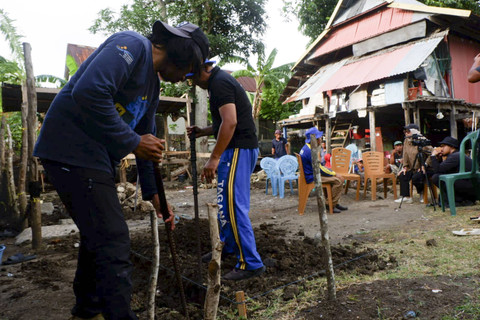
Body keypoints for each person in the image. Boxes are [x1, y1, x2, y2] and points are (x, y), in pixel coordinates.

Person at [34, 21, 209, 320]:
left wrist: (156, 197)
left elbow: (146, 144)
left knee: (98, 235)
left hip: (94, 159)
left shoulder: (151, 88)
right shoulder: (131, 45)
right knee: (113, 238)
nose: (184, 79)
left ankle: (88, 311)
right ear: (181, 54)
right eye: (189, 70)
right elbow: (89, 92)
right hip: (70, 150)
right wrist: (133, 141)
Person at [187, 61, 265, 281]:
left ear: (204, 69)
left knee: (233, 205)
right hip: (237, 148)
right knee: (225, 204)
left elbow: (230, 123)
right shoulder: (217, 83)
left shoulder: (219, 83)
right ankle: (229, 247)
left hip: (237, 149)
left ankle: (250, 263)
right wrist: (204, 131)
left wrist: (214, 157)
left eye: (193, 78)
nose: (194, 83)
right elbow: (224, 122)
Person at [299, 127, 348, 214]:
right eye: (319, 138)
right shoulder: (310, 151)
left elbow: (319, 167)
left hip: (311, 174)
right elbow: (320, 168)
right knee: (338, 181)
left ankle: (333, 203)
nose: (321, 140)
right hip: (312, 177)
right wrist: (334, 174)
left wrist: (331, 173)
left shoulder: (305, 148)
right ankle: (331, 205)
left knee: (331, 178)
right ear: (314, 139)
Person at [430, 137, 477, 206]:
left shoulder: (455, 156)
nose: (441, 149)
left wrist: (433, 156)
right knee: (437, 176)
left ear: (451, 147)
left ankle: (460, 199)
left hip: (470, 186)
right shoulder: (455, 155)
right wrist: (438, 158)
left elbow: (438, 169)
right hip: (469, 184)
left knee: (437, 177)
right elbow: (442, 169)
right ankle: (456, 199)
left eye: (443, 146)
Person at [394, 124, 433, 204]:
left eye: (408, 131)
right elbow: (405, 154)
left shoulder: (422, 140)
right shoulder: (406, 141)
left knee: (416, 177)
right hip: (412, 167)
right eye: (405, 131)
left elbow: (432, 153)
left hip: (424, 167)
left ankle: (421, 193)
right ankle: (406, 196)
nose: (406, 133)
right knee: (403, 175)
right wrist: (405, 166)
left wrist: (425, 164)